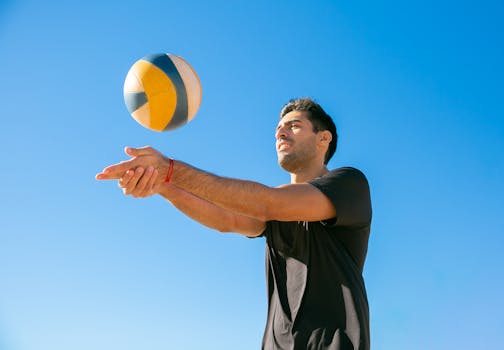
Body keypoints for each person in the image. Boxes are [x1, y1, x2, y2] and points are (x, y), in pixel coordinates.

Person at [96, 97, 372, 350]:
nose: (280, 132)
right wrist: (163, 184)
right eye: (278, 128)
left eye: (294, 125)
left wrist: (171, 169)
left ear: (324, 138)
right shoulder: (272, 213)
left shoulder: (349, 184)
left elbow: (269, 202)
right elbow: (226, 218)